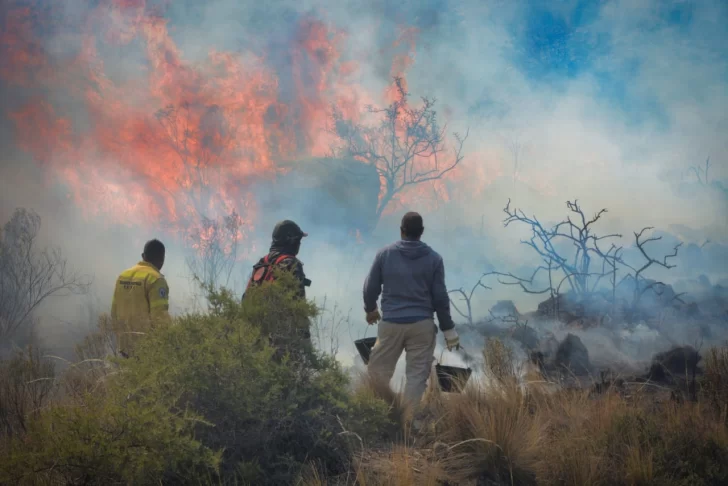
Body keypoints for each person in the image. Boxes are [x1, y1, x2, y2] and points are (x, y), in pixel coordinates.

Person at [362, 212, 459, 407]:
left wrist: (371, 309)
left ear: (401, 231)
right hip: (422, 326)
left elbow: (370, 288)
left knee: (378, 373)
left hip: (391, 324)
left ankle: (374, 416)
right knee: (416, 378)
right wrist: (449, 330)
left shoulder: (385, 254)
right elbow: (440, 298)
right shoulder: (434, 259)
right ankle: (409, 423)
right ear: (421, 232)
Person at [244, 220, 312, 354]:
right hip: (281, 338)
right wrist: (306, 341)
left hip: (255, 334)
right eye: (298, 240)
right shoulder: (291, 264)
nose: (299, 244)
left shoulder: (262, 262)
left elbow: (246, 299)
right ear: (291, 241)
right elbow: (299, 305)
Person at [111, 239, 172, 358]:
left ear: (143, 256)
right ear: (162, 259)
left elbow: (114, 311)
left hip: (124, 344)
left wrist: (120, 337)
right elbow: (160, 318)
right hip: (147, 347)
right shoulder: (156, 280)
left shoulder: (123, 276)